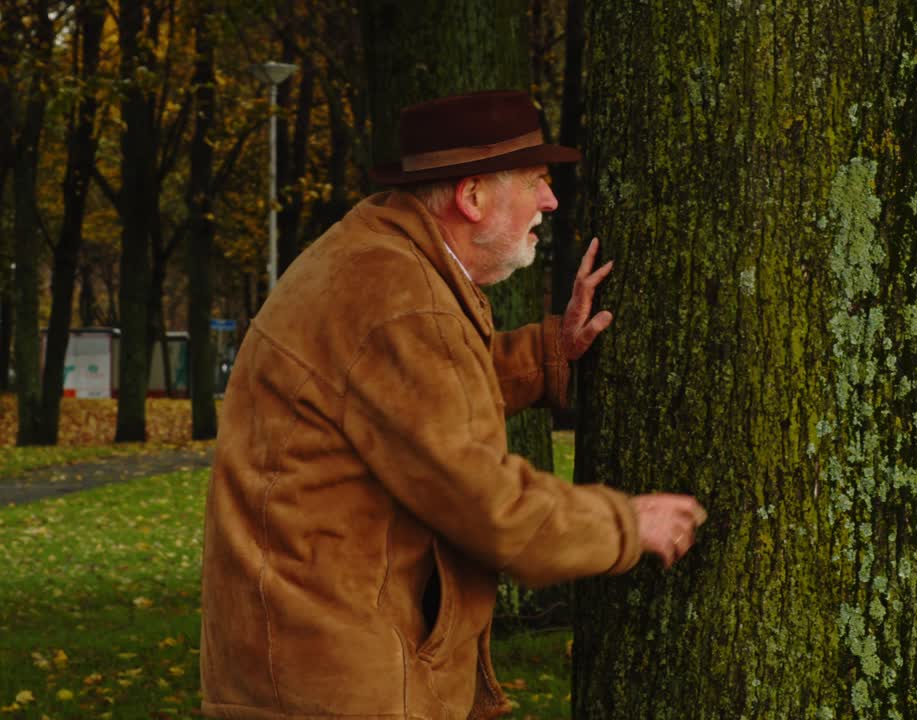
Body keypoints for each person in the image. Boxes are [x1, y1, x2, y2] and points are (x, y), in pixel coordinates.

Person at [199, 90, 707, 720]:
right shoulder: (402, 301)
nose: (550, 202)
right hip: (344, 688)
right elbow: (488, 506)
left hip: (299, 669)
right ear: (472, 198)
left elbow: (412, 399)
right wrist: (627, 524)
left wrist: (551, 352)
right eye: (536, 182)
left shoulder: (374, 261)